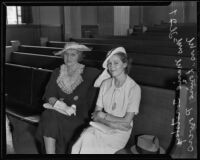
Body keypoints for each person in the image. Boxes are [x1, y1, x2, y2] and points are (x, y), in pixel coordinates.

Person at [71, 47, 141, 154]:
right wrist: (112, 124)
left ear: (125, 64)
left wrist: (104, 116)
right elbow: (95, 115)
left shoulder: (134, 88)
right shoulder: (105, 84)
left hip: (120, 133)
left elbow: (126, 121)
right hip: (103, 126)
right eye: (109, 63)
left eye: (116, 63)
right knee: (86, 135)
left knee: (89, 139)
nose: (112, 67)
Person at [35, 42, 101, 154]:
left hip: (78, 115)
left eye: (73, 55)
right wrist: (62, 106)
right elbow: (49, 95)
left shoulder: (90, 73)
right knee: (49, 115)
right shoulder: (57, 72)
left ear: (79, 56)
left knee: (49, 117)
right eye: (66, 54)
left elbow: (109, 77)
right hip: (59, 111)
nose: (68, 58)